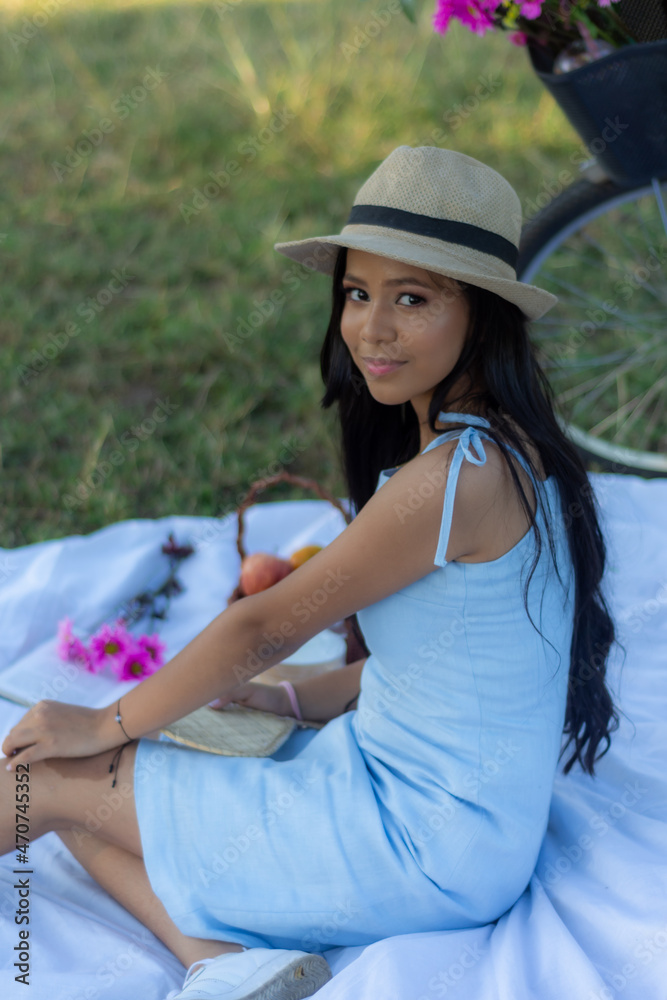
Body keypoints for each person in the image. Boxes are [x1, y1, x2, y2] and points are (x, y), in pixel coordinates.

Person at [1, 146, 619, 1000]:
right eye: (358, 294)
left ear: (482, 315)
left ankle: (215, 949)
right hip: (445, 830)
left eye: (413, 298)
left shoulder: (452, 479)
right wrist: (286, 700)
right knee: (61, 789)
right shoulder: (514, 453)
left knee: (34, 776)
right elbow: (447, 667)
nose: (372, 327)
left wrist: (104, 721)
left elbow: (265, 626)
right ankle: (223, 965)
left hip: (414, 847)